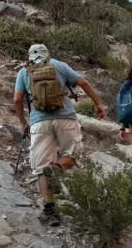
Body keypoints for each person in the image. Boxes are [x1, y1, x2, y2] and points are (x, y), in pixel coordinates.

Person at [13, 43, 105, 226]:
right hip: (66, 119)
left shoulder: (24, 71)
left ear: (30, 56)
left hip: (39, 122)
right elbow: (83, 82)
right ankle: (57, 167)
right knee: (73, 155)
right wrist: (98, 104)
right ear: (47, 53)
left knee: (41, 167)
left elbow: (17, 99)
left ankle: (50, 211)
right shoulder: (59, 65)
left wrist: (23, 123)